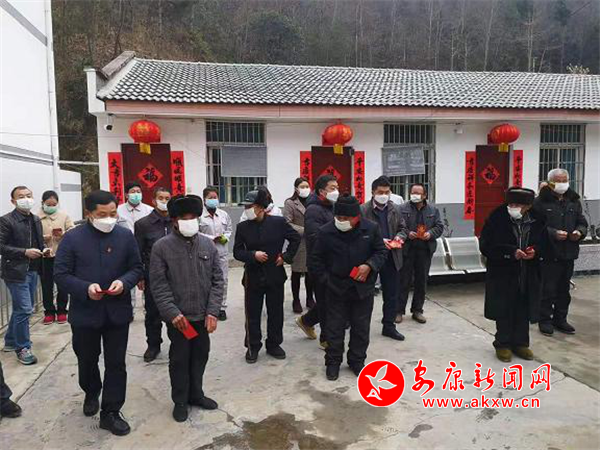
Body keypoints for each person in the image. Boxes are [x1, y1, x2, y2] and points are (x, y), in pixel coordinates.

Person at [54, 190, 143, 436]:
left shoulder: (125, 236)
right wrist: (85, 288)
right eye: (102, 214)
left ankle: (111, 412)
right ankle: (91, 391)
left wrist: (124, 282)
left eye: (113, 213)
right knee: (87, 359)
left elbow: (136, 268)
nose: (108, 219)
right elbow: (61, 274)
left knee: (116, 363)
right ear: (89, 214)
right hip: (85, 313)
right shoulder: (72, 239)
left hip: (117, 311)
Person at [150, 194, 224, 423]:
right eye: (184, 218)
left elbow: (217, 280)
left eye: (193, 217)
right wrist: (173, 313)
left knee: (200, 354)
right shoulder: (162, 247)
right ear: (174, 220)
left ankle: (196, 394)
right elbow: (159, 285)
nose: (189, 221)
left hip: (202, 317)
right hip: (180, 320)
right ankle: (180, 400)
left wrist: (212, 311)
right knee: (180, 358)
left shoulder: (208, 245)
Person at [311, 195, 387, 380]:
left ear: (356, 217)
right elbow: (315, 260)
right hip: (335, 287)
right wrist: (326, 280)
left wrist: (369, 265)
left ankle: (357, 361)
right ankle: (333, 362)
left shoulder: (371, 229)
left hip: (362, 288)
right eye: (338, 217)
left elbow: (381, 251)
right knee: (334, 328)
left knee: (361, 328)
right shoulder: (326, 232)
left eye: (345, 218)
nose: (341, 221)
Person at [480, 187, 547, 362]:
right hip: (503, 272)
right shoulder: (497, 218)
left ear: (528, 206)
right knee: (504, 308)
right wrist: (510, 253)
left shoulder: (538, 220)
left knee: (523, 308)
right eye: (510, 204)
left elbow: (546, 244)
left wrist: (536, 251)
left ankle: (521, 343)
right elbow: (486, 245)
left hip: (528, 272)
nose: (513, 207)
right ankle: (502, 344)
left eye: (517, 205)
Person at [233, 189, 300, 364]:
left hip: (274, 274)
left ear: (262, 207)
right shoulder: (242, 227)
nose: (247, 209)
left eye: (251, 206)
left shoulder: (278, 223)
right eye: (245, 206)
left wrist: (286, 257)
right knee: (252, 313)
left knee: (275, 312)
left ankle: (274, 344)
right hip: (252, 276)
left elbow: (295, 238)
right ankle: (253, 346)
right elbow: (237, 252)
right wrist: (252, 255)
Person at [534, 168, 588, 336]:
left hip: (568, 252)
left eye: (565, 180)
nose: (562, 184)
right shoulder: (540, 202)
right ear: (550, 182)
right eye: (558, 181)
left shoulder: (573, 200)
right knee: (547, 289)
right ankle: (545, 320)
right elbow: (535, 226)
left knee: (563, 290)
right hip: (548, 253)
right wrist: (553, 233)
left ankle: (560, 319)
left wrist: (579, 232)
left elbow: (582, 222)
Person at [0, 186, 46, 365]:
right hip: (15, 271)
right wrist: (24, 252)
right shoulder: (6, 221)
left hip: (33, 269)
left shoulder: (35, 219)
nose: (26, 199)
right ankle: (23, 347)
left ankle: (11, 341)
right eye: (21, 196)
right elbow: (1, 246)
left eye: (28, 195)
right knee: (25, 309)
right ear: (13, 201)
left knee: (22, 308)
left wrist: (44, 250)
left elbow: (38, 242)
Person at [361, 176, 408, 341]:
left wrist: (399, 238)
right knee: (365, 294)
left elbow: (403, 228)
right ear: (373, 192)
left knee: (391, 294)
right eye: (380, 192)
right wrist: (379, 241)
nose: (383, 195)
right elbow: (359, 232)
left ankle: (389, 326)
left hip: (391, 256)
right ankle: (360, 326)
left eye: (386, 192)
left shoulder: (395, 209)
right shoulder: (363, 210)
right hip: (371, 257)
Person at [295, 174, 339, 349]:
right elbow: (315, 237)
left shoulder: (331, 206)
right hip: (320, 264)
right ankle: (326, 339)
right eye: (332, 188)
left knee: (329, 300)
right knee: (327, 301)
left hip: (334, 261)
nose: (336, 191)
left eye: (337, 187)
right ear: (322, 191)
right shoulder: (314, 210)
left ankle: (306, 321)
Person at [134, 187, 173, 362]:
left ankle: (180, 344)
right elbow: (138, 252)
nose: (164, 201)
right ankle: (153, 345)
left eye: (167, 198)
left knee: (177, 311)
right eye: (161, 198)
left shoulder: (176, 221)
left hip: (176, 276)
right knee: (152, 314)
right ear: (153, 201)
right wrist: (140, 276)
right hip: (153, 277)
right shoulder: (143, 224)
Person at [397, 183, 444, 324]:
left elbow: (439, 227)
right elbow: (397, 226)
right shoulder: (402, 209)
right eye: (413, 193)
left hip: (424, 250)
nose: (415, 195)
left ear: (424, 195)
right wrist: (407, 233)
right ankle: (398, 311)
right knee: (403, 281)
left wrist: (430, 234)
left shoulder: (433, 210)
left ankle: (417, 310)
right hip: (407, 249)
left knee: (421, 281)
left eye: (418, 193)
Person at [37, 190, 74, 325]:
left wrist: (63, 234)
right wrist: (42, 238)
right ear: (43, 203)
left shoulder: (64, 216)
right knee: (46, 286)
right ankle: (49, 312)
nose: (51, 207)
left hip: (62, 255)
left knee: (63, 284)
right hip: (44, 256)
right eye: (48, 204)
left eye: (54, 204)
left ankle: (62, 310)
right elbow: (31, 235)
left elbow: (72, 230)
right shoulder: (35, 218)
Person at [199, 186, 232, 321]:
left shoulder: (224, 215)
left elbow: (229, 229)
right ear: (204, 199)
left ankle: (221, 307)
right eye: (210, 198)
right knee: (206, 280)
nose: (213, 200)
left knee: (223, 280)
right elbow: (196, 233)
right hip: (204, 253)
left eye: (215, 197)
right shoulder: (199, 216)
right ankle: (207, 307)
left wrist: (225, 237)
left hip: (222, 253)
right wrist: (212, 238)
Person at [283, 177, 315, 314]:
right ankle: (296, 300)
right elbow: (287, 222)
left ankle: (309, 298)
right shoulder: (290, 203)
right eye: (302, 186)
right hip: (298, 242)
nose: (305, 189)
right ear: (296, 188)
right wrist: (305, 230)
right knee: (296, 272)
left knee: (310, 272)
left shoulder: (313, 201)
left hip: (313, 242)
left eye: (307, 186)